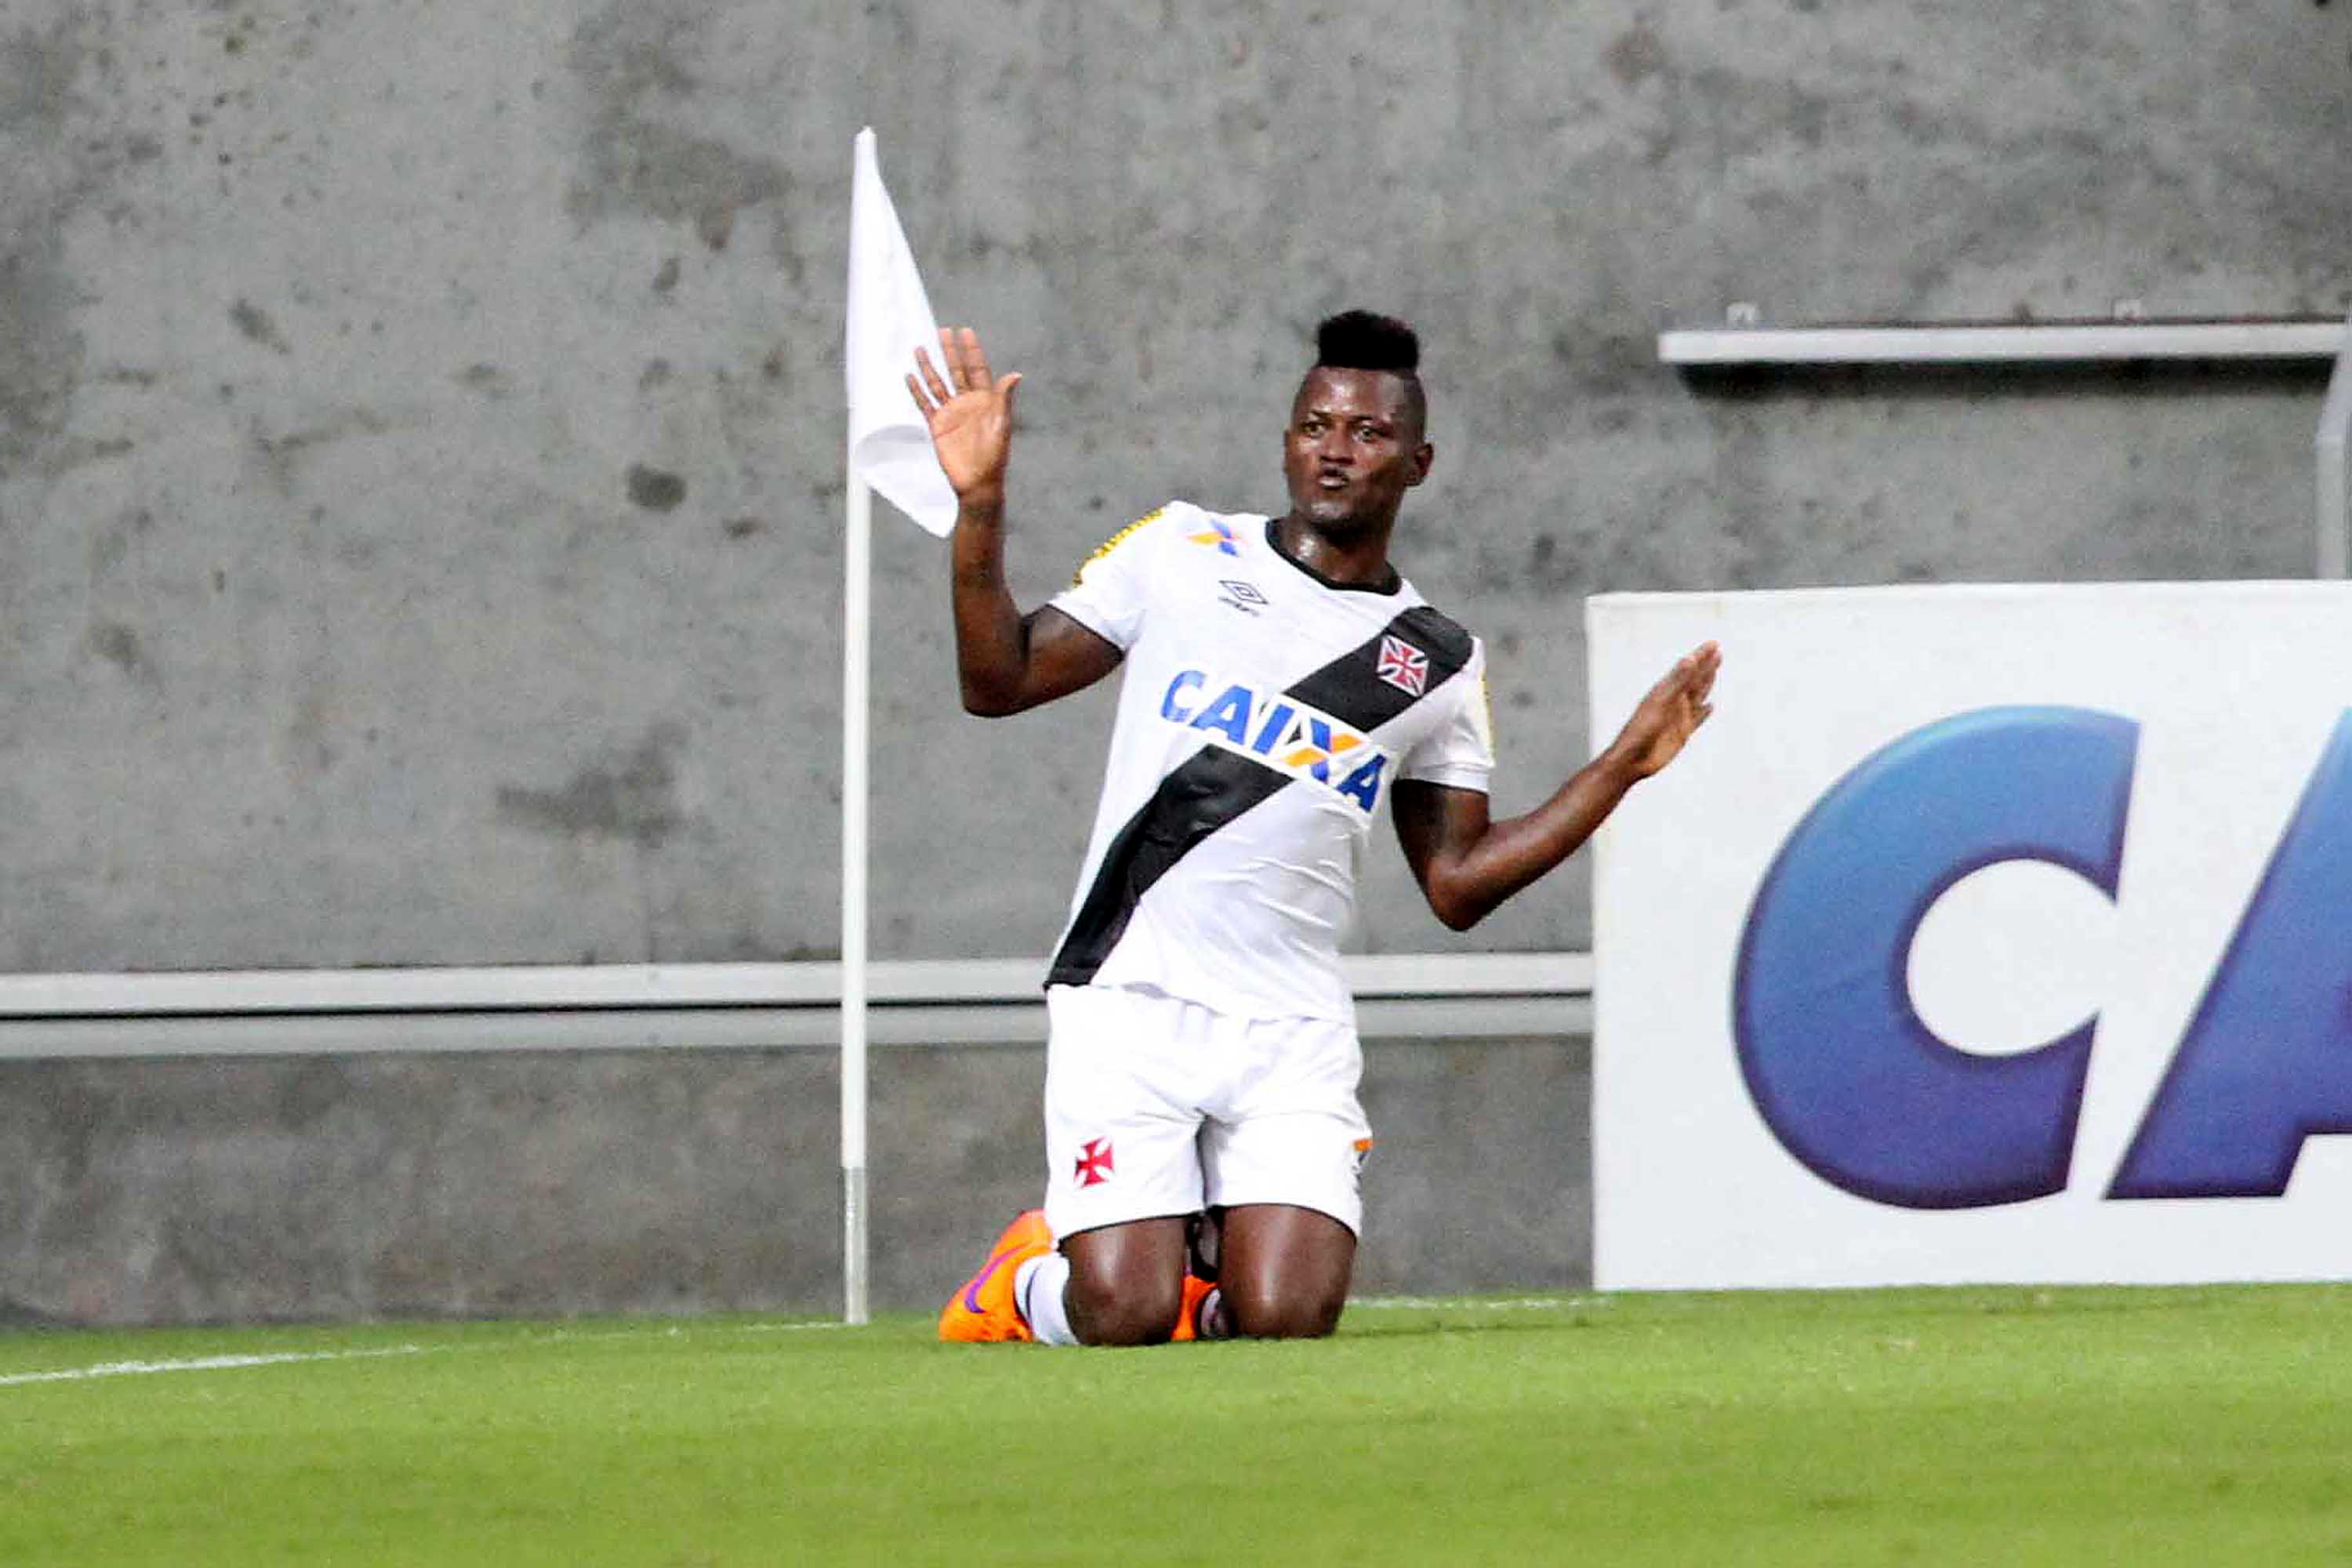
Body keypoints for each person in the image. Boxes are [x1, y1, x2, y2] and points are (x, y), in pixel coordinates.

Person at [916, 310, 1719, 1345]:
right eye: (1315, 425)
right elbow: (999, 682)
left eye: (1368, 432)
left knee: (1288, 1318)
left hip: (1290, 1025)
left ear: (1418, 462)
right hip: (1132, 996)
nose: (1335, 450)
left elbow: (1458, 885)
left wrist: (1622, 768)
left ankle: (1207, 1277)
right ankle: (1020, 1286)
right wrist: (980, 507)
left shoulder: (1436, 658)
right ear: (1288, 441)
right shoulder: (1180, 550)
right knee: (1122, 1313)